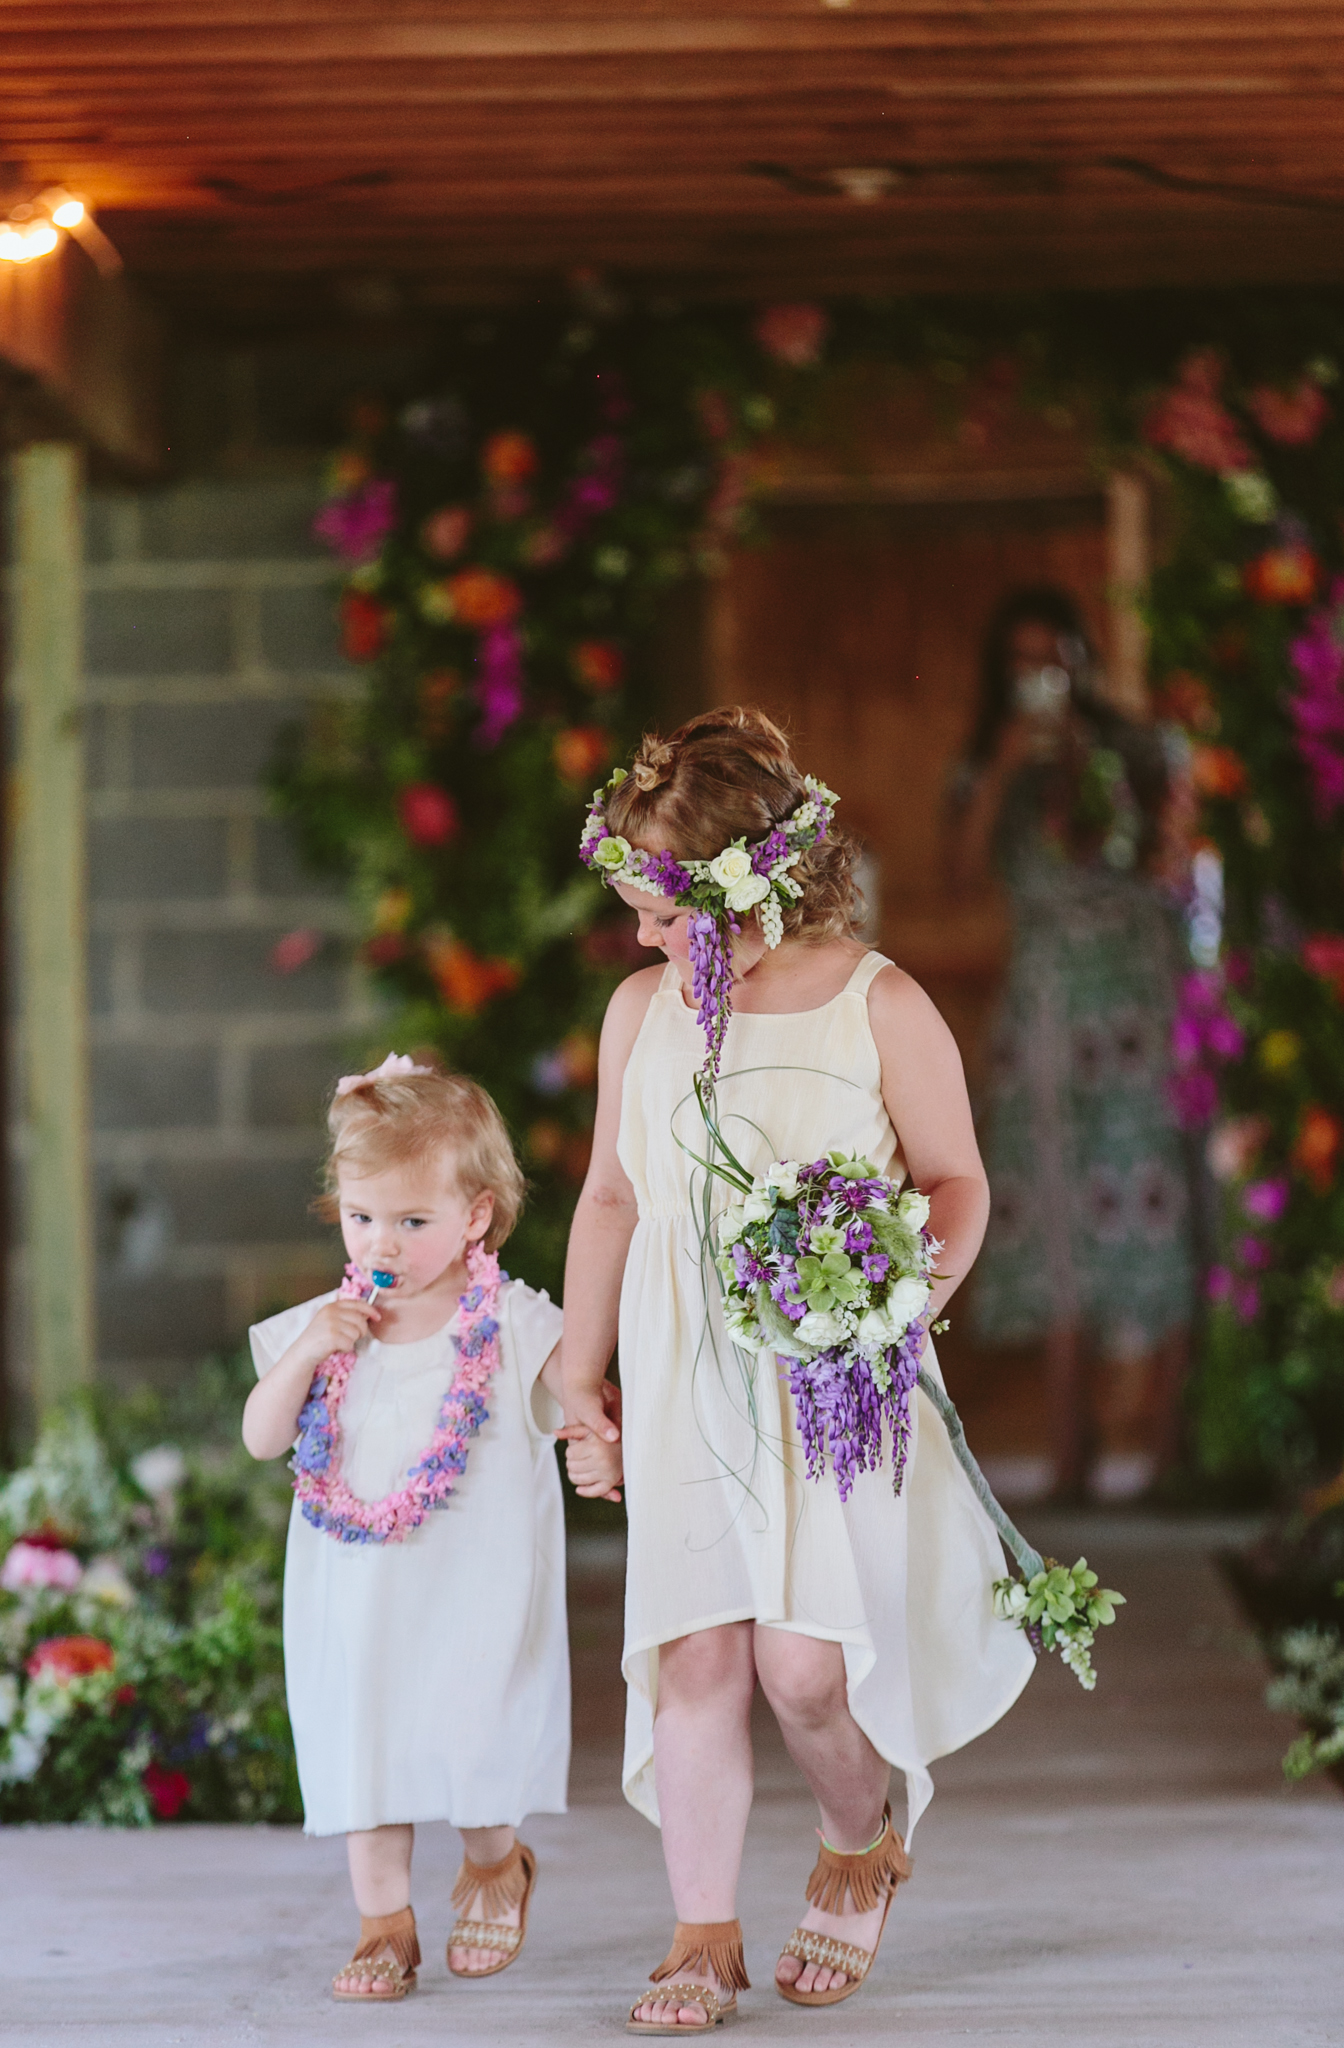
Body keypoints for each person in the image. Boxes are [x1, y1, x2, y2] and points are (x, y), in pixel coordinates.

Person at [561, 706, 1035, 2032]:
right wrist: (577, 1377)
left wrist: (897, 1300)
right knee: (699, 1658)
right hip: (681, 1377)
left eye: (660, 910)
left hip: (829, 1389)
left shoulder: (877, 1002)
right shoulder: (640, 1014)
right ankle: (700, 1933)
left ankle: (859, 1823)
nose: (641, 938)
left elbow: (953, 1181)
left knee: (804, 1673)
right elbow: (610, 1198)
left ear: (743, 885)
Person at [242, 1054, 618, 2002]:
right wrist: (303, 1358)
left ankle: (496, 1863)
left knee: (473, 1741)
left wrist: (599, 1429)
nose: (385, 1242)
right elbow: (260, 1438)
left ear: (476, 1218)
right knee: (362, 1747)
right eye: (364, 1217)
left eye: (413, 1222)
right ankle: (383, 1926)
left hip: (472, 1590)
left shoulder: (512, 1326)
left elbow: (578, 1397)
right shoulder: (323, 1328)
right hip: (356, 1595)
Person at [948, 588, 1195, 1500]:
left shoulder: (1132, 748)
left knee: (1156, 1201)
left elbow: (1164, 859)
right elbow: (959, 873)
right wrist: (1009, 764)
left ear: (1084, 660)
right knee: (1055, 1210)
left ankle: (1167, 1454)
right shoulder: (987, 757)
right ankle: (1068, 1450)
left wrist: (1098, 775)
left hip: (1135, 993)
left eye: (1055, 658)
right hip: (1047, 1002)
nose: (1041, 679)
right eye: (1022, 662)